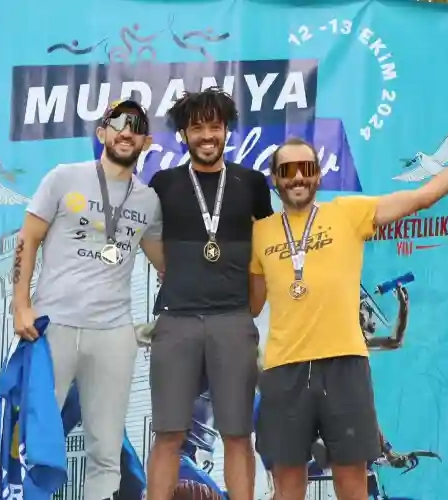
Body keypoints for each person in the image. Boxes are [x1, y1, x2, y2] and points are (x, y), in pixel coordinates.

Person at [249, 117, 448, 500]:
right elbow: (251, 304)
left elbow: (422, 197)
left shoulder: (347, 212)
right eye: (287, 170)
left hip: (344, 367)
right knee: (288, 488)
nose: (298, 177)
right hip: (284, 370)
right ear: (275, 179)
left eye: (306, 168)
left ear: (318, 174)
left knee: (352, 484)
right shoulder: (258, 233)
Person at [12, 99, 164, 500]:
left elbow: (166, 263)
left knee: (106, 450)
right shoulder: (64, 177)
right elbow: (28, 239)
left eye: (136, 127)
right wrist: (20, 304)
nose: (126, 132)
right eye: (118, 123)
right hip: (53, 326)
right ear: (102, 133)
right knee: (33, 441)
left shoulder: (148, 200)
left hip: (113, 333)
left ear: (146, 142)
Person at [146, 87, 273, 500]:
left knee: (237, 433)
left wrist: (250, 308)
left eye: (214, 126)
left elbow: (265, 248)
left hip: (232, 319)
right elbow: (145, 234)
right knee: (169, 433)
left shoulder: (251, 183)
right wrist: (170, 270)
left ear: (226, 130)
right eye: (196, 127)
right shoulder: (163, 183)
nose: (206, 136)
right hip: (176, 320)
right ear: (183, 134)